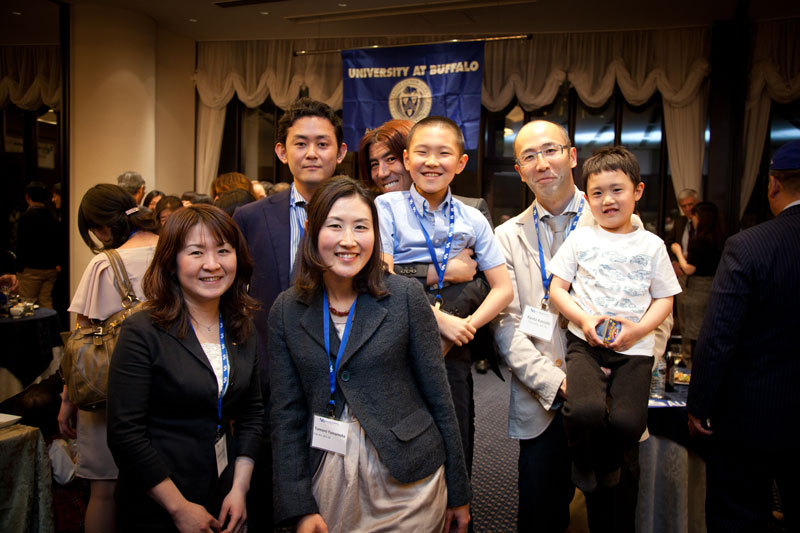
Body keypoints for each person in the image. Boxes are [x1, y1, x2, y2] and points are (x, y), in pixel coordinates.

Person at [494, 121, 670, 532]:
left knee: (613, 520)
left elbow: (656, 307)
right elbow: (506, 324)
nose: (542, 163)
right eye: (529, 156)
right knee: (540, 521)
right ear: (519, 170)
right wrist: (556, 382)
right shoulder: (507, 235)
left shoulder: (621, 217)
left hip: (611, 397)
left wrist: (626, 368)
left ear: (571, 156)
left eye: (550, 150)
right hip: (542, 400)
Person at [269, 176, 471, 532]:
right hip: (328, 472)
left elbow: (440, 397)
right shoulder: (287, 310)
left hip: (410, 478)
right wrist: (298, 506)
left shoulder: (404, 296)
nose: (349, 240)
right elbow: (286, 415)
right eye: (335, 226)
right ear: (312, 231)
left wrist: (458, 491)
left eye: (361, 227)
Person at [107, 204, 263, 533]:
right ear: (171, 261)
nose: (212, 264)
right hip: (157, 502)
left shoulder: (241, 326)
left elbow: (252, 414)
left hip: (224, 491)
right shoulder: (142, 331)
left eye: (223, 251)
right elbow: (125, 434)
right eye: (196, 252)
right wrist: (179, 509)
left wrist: (239, 488)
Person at [547, 146, 680, 529]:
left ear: (637, 191)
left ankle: (607, 466)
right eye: (598, 193)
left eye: (617, 190)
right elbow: (557, 290)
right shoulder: (580, 239)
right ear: (587, 199)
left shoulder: (652, 245)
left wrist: (639, 330)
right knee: (583, 411)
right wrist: (584, 320)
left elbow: (665, 299)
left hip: (634, 349)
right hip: (586, 343)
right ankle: (583, 464)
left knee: (628, 422)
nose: (608, 200)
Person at [375, 116, 513, 477]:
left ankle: (458, 504)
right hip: (398, 336)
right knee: (398, 436)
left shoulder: (472, 218)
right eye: (422, 152)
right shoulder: (385, 207)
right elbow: (383, 275)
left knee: (456, 435)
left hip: (454, 345)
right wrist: (439, 321)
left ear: (461, 162)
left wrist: (464, 328)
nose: (432, 162)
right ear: (407, 159)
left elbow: (503, 288)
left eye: (444, 153)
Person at [233, 96, 347, 530]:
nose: (312, 153)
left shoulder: (362, 212)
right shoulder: (249, 217)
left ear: (340, 151)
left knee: (336, 488)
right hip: (269, 373)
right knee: (269, 486)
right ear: (282, 151)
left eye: (323, 143)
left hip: (342, 370)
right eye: (301, 143)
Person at [687, 140, 800, 532]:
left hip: (753, 412)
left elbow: (718, 336)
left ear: (773, 185)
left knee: (739, 515)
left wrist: (699, 405)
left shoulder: (750, 246)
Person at [58, 183, 159, 533]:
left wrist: (67, 400)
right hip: (165, 385)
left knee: (103, 492)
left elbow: (81, 344)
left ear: (100, 228)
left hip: (109, 391)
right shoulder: (173, 249)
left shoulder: (104, 264)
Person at [669, 201, 725, 357]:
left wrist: (678, 252)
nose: (692, 219)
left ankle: (692, 364)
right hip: (713, 285)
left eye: (694, 216)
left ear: (701, 218)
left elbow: (689, 269)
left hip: (698, 288)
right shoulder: (719, 238)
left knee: (694, 329)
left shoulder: (700, 240)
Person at [16, 181, 61, 309]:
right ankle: (50, 323)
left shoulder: (25, 217)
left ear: (27, 197)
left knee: (26, 304)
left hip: (30, 269)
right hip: (50, 269)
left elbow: (21, 244)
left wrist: (19, 268)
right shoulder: (53, 217)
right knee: (46, 303)